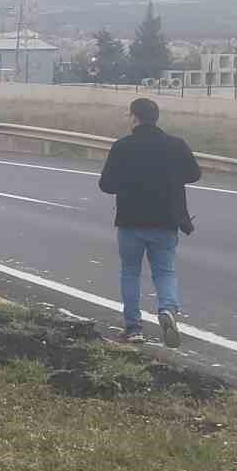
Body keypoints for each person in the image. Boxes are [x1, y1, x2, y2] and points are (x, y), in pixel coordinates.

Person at [98, 97, 201, 347]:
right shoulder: (176, 145)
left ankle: (134, 328)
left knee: (130, 272)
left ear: (135, 117)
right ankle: (167, 310)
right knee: (165, 271)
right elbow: (194, 174)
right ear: (156, 118)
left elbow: (106, 185)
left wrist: (129, 182)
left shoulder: (122, 147)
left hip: (131, 221)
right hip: (167, 220)